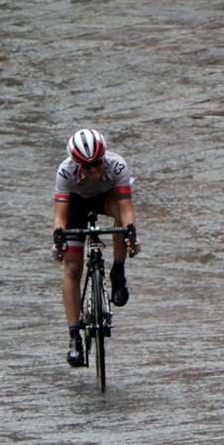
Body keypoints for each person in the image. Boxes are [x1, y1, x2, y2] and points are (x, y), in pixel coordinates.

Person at [51, 128, 138, 368]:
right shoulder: (65, 172)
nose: (94, 170)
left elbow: (127, 207)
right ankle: (74, 337)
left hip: (106, 198)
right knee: (72, 267)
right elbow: (59, 216)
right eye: (87, 166)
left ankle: (118, 271)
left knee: (122, 219)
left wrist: (130, 231)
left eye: (97, 163)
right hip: (76, 205)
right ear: (76, 164)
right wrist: (59, 237)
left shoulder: (117, 166)